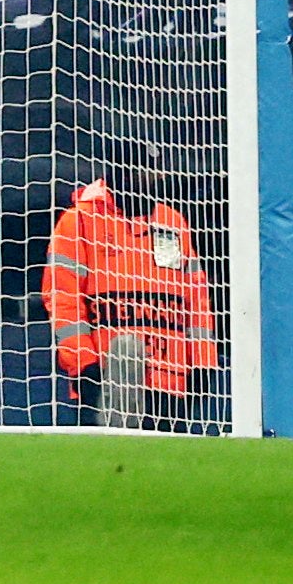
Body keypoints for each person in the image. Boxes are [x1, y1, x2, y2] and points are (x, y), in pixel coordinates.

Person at [39, 175, 214, 429]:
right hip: (105, 379)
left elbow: (196, 299)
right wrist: (84, 365)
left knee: (166, 467)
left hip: (169, 381)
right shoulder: (79, 220)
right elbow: (62, 299)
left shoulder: (172, 222)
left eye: (157, 167)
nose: (156, 176)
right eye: (146, 168)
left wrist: (202, 362)